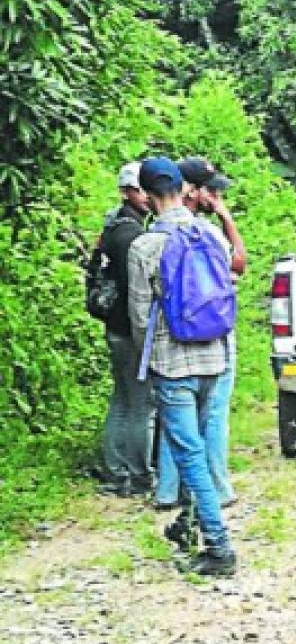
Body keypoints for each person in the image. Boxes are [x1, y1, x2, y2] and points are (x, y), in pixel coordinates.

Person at [127, 157, 237, 576]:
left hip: (172, 361)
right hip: (215, 353)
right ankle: (187, 524)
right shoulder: (210, 234)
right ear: (183, 188)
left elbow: (140, 315)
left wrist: (149, 358)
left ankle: (219, 545)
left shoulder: (145, 246)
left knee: (188, 453)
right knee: (200, 445)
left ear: (148, 194)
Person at [155, 156, 243, 510]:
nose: (216, 196)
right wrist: (225, 217)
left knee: (175, 417)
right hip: (212, 335)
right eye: (211, 191)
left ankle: (168, 489)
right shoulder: (205, 233)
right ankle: (217, 489)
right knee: (212, 416)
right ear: (190, 190)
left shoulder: (157, 232)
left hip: (169, 339)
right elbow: (239, 262)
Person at [97, 162, 155, 498]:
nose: (145, 196)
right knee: (140, 403)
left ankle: (115, 470)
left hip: (114, 327)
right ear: (126, 192)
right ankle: (138, 475)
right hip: (130, 329)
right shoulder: (131, 236)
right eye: (138, 190)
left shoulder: (113, 227)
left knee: (122, 399)